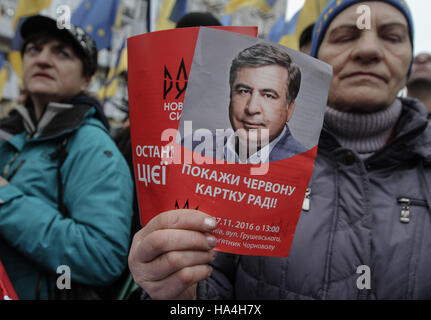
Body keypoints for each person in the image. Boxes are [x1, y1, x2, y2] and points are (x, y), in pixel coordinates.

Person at [129, 0, 431, 300]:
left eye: (391, 36)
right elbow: (211, 286)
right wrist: (179, 291)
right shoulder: (225, 161)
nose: (369, 50)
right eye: (346, 36)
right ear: (316, 59)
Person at [0, 15, 133, 300]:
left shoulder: (93, 147)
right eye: (34, 49)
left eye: (62, 53)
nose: (43, 60)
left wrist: (5, 201)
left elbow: (103, 257)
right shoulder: (11, 135)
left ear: (86, 79)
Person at [187, 43, 306, 163]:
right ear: (230, 95)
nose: (252, 108)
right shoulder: (190, 148)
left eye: (268, 96)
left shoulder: (309, 170)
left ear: (290, 110)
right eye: (244, 91)